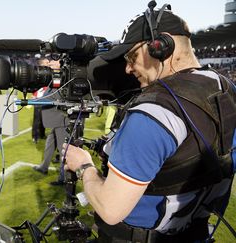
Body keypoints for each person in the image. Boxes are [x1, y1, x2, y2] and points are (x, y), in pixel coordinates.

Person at [63, 2, 236, 242]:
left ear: (161, 47)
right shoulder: (226, 88)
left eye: (132, 56)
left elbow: (110, 210)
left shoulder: (152, 114)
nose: (127, 68)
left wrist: (84, 167)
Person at [32, 57, 70, 186]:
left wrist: (35, 101)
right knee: (50, 143)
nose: (51, 63)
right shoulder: (55, 77)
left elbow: (53, 98)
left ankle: (64, 178)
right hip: (55, 120)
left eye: (54, 61)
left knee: (63, 149)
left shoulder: (61, 77)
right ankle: (44, 167)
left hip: (60, 119)